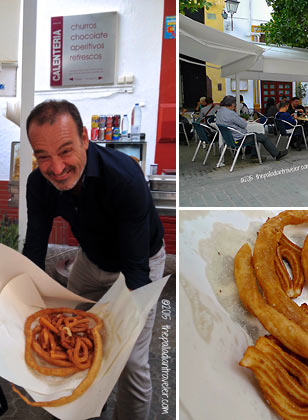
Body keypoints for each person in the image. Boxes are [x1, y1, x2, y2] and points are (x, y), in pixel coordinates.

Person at [22, 100, 166, 420]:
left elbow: (135, 270)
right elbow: (34, 250)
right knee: (67, 339)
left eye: (65, 150)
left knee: (129, 359)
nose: (56, 168)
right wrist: (21, 305)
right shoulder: (39, 184)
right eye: (43, 156)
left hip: (140, 262)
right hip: (89, 262)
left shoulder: (123, 177)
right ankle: (84, 409)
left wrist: (124, 321)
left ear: (85, 139)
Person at [215, 95, 288, 161]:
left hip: (229, 139)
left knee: (254, 135)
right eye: (234, 105)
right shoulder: (230, 113)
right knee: (263, 137)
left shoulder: (219, 112)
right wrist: (241, 120)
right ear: (231, 104)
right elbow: (244, 125)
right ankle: (277, 154)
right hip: (239, 139)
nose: (234, 107)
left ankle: (255, 156)